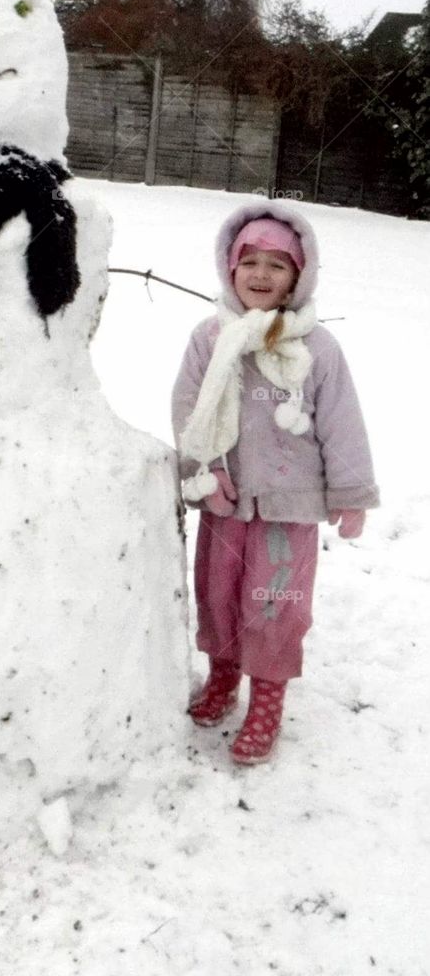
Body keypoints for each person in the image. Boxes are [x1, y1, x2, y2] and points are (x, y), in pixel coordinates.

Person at [171, 202, 379, 765]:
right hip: (226, 505)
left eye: (277, 266)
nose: (261, 275)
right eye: (250, 262)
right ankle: (222, 678)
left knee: (275, 604)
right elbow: (189, 410)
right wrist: (206, 475)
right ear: (230, 267)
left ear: (298, 277)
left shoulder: (318, 349)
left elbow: (342, 424)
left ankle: (267, 699)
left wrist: (351, 495)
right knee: (219, 598)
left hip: (290, 511)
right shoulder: (210, 338)